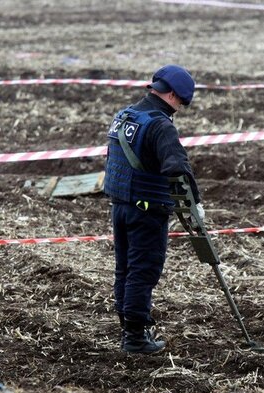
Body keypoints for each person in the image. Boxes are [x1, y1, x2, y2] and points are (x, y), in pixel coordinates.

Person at [104, 65, 204, 354]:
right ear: (172, 95)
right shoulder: (160, 125)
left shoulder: (124, 115)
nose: (180, 109)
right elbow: (177, 168)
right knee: (143, 271)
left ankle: (128, 328)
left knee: (125, 269)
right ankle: (135, 338)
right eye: (181, 103)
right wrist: (195, 205)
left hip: (120, 206)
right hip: (146, 211)